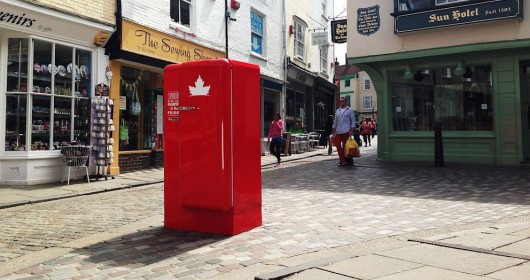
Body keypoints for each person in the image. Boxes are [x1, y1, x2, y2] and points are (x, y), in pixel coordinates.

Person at [332, 97, 356, 166]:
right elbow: (335, 121)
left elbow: (353, 121)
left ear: (345, 102)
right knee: (338, 146)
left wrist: (351, 130)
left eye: (342, 101)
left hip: (346, 130)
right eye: (340, 101)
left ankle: (347, 160)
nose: (341, 102)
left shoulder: (350, 110)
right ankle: (342, 160)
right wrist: (333, 131)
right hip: (338, 131)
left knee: (346, 146)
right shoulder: (337, 111)